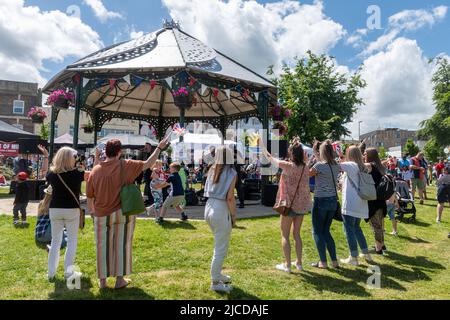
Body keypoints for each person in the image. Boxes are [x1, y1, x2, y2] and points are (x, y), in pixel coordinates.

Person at [86, 135, 170, 289]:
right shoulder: (127, 164)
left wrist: (92, 211)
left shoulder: (95, 170)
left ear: (106, 152)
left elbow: (90, 195)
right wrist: (159, 148)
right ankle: (119, 280)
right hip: (123, 212)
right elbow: (148, 163)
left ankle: (102, 281)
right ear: (119, 152)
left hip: (101, 213)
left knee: (102, 246)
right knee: (122, 245)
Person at [261, 137, 311, 273]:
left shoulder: (288, 166)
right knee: (297, 235)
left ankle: (287, 265)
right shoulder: (306, 168)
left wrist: (263, 147)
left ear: (291, 154)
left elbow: (271, 159)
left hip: (288, 205)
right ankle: (299, 263)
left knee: (285, 235)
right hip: (301, 205)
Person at [46, 147, 87, 281]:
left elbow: (49, 170)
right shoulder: (77, 173)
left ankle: (51, 273)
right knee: (72, 241)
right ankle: (68, 273)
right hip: (71, 209)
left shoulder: (51, 174)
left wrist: (47, 157)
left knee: (55, 241)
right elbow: (87, 174)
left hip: (55, 209)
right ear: (70, 159)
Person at [204, 145, 237, 292]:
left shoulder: (211, 169)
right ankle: (215, 282)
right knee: (220, 248)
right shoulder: (231, 172)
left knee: (219, 245)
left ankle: (217, 275)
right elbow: (230, 198)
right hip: (220, 208)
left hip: (209, 206)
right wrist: (234, 217)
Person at [339, 146, 374, 265]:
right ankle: (366, 253)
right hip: (361, 202)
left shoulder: (351, 165)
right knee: (357, 229)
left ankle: (353, 257)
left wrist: (339, 154)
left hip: (351, 202)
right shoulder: (363, 166)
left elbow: (335, 165)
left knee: (349, 229)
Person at [309, 140, 340, 269]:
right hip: (333, 200)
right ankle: (334, 261)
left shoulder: (319, 166)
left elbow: (308, 173)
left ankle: (323, 262)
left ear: (322, 153)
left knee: (317, 231)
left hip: (321, 200)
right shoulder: (335, 165)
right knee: (326, 231)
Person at [364, 148, 388, 255]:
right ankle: (381, 245)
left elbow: (359, 166)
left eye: (365, 153)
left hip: (373, 199)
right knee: (380, 224)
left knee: (376, 225)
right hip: (381, 198)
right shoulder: (380, 166)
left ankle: (378, 249)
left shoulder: (370, 165)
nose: (364, 155)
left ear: (370, 155)